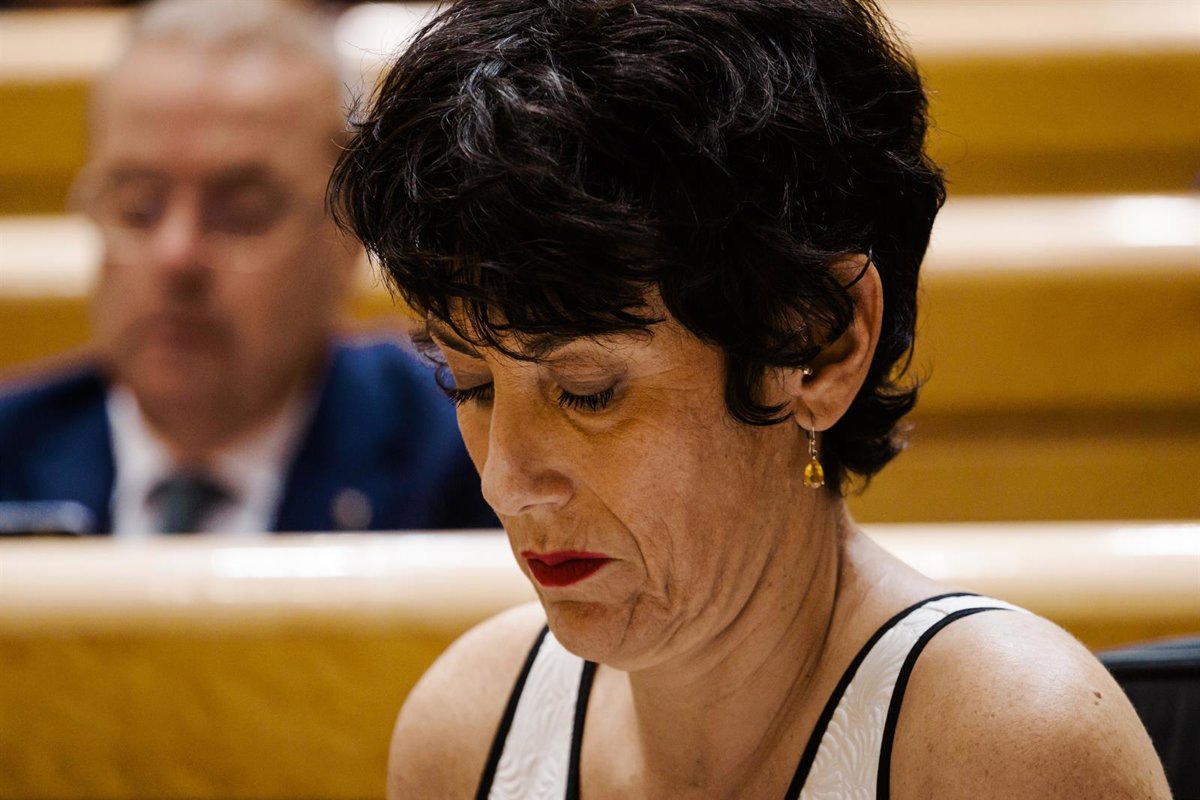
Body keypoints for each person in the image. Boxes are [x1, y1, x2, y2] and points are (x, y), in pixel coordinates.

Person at [329, 1, 1172, 797]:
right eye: (470, 385)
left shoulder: (1012, 746)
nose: (505, 483)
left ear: (820, 347)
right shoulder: (466, 729)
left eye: (588, 394)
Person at [0, 0, 496, 535]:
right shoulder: (11, 449)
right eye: (138, 207)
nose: (177, 256)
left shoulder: (470, 465)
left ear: (349, 232)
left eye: (242, 213)